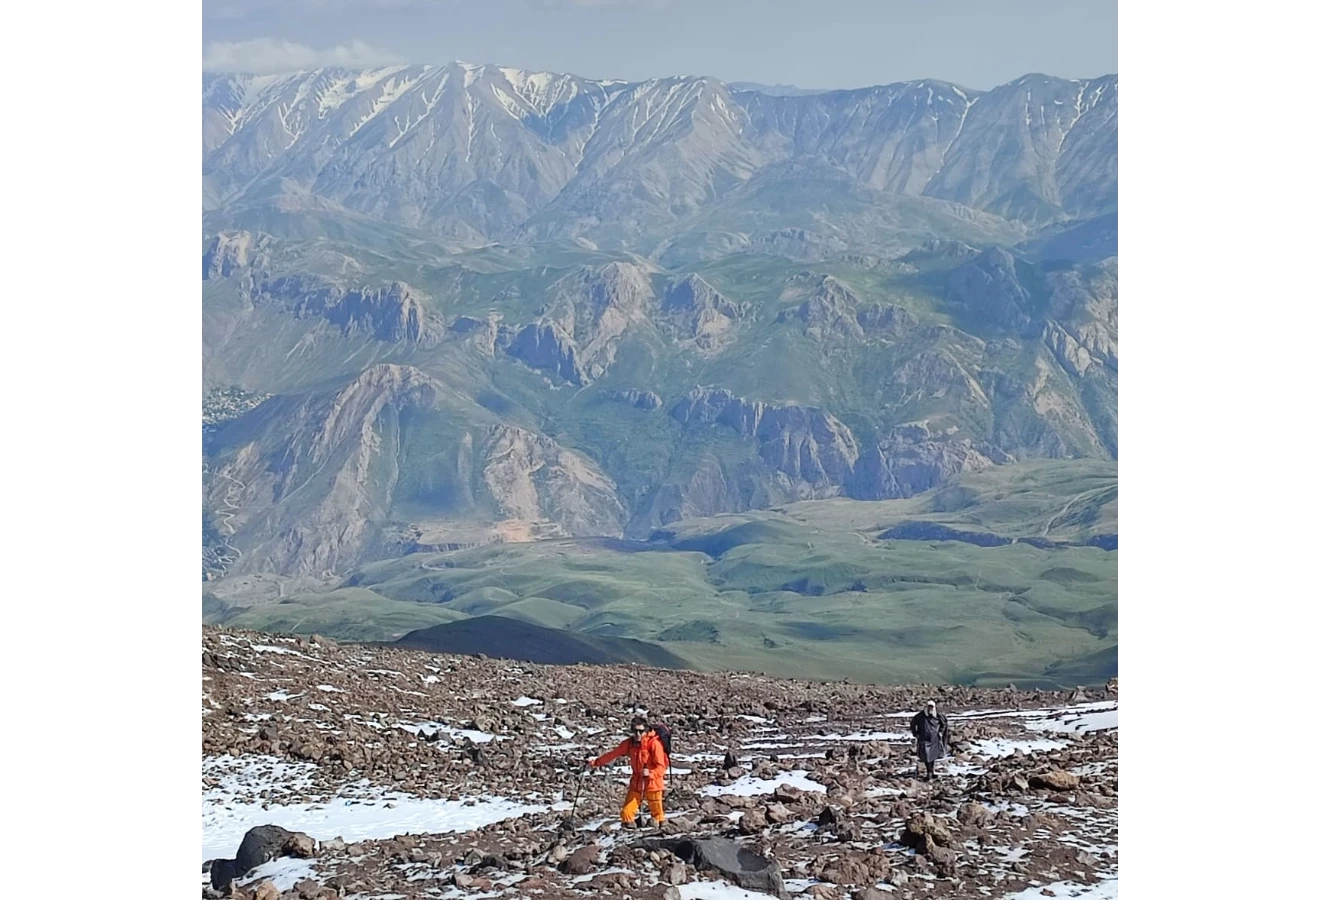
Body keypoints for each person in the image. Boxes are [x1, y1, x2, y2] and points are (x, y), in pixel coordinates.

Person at [588, 715, 668, 827]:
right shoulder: (630, 743)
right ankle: (629, 836)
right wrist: (596, 762)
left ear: (646, 730)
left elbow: (661, 767)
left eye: (640, 731)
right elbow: (613, 754)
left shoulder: (654, 744)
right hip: (636, 783)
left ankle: (658, 834)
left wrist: (650, 773)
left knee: (658, 817)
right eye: (635, 731)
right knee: (626, 814)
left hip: (653, 784)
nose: (638, 734)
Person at [910, 700, 950, 781]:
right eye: (929, 707)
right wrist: (916, 733)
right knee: (926, 756)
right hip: (923, 739)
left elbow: (944, 723)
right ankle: (929, 772)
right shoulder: (920, 716)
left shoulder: (938, 716)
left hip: (934, 740)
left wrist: (941, 732)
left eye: (932, 707)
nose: (930, 709)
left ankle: (931, 772)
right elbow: (913, 723)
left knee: (933, 756)